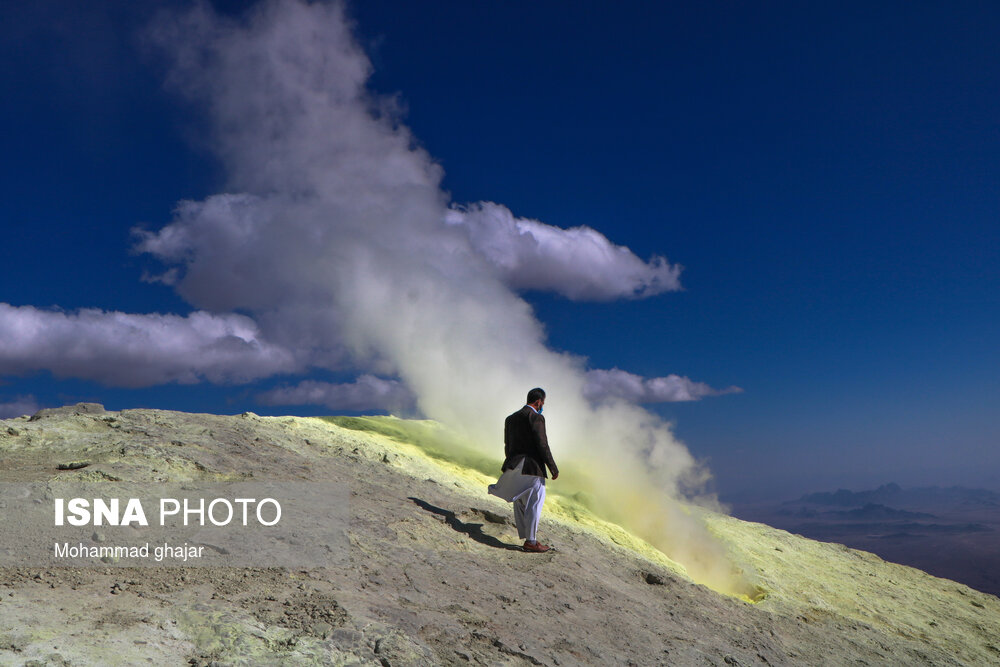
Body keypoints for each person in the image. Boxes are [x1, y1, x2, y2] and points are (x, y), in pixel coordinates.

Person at [488, 387, 559, 552]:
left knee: (520, 499)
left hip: (514, 464)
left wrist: (511, 462)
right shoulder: (536, 417)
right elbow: (542, 444)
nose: (542, 406)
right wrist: (553, 467)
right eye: (543, 403)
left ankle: (528, 538)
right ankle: (531, 541)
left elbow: (508, 444)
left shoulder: (510, 419)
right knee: (535, 500)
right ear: (539, 401)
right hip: (532, 467)